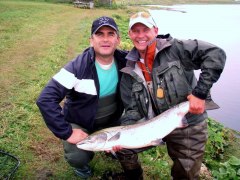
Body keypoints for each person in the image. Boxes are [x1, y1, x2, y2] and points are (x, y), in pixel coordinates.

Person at [119, 11, 226, 179]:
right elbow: (132, 110)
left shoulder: (176, 49)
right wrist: (126, 132)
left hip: (188, 124)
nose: (141, 36)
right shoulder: (128, 70)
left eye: (145, 30)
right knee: (122, 148)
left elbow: (215, 54)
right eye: (135, 31)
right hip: (152, 127)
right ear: (130, 34)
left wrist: (200, 93)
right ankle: (134, 176)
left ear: (155, 30)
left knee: (186, 174)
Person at [36, 16, 129, 179]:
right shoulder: (76, 67)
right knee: (77, 156)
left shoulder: (126, 61)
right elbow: (45, 99)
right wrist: (67, 132)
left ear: (118, 40)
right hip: (81, 122)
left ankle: (109, 148)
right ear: (91, 40)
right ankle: (81, 167)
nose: (105, 39)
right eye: (99, 34)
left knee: (131, 143)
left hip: (112, 122)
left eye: (110, 34)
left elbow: (151, 55)